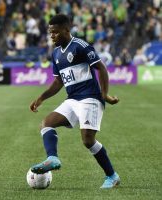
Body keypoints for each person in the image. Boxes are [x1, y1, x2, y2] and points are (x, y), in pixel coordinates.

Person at [29, 14, 120, 189]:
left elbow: (101, 69)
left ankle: (112, 176)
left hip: (90, 98)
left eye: (55, 32)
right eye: (50, 33)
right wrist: (41, 98)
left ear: (66, 30)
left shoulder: (81, 46)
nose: (52, 36)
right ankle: (52, 158)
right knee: (46, 124)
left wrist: (105, 95)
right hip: (72, 99)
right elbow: (58, 82)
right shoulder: (56, 53)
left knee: (87, 140)